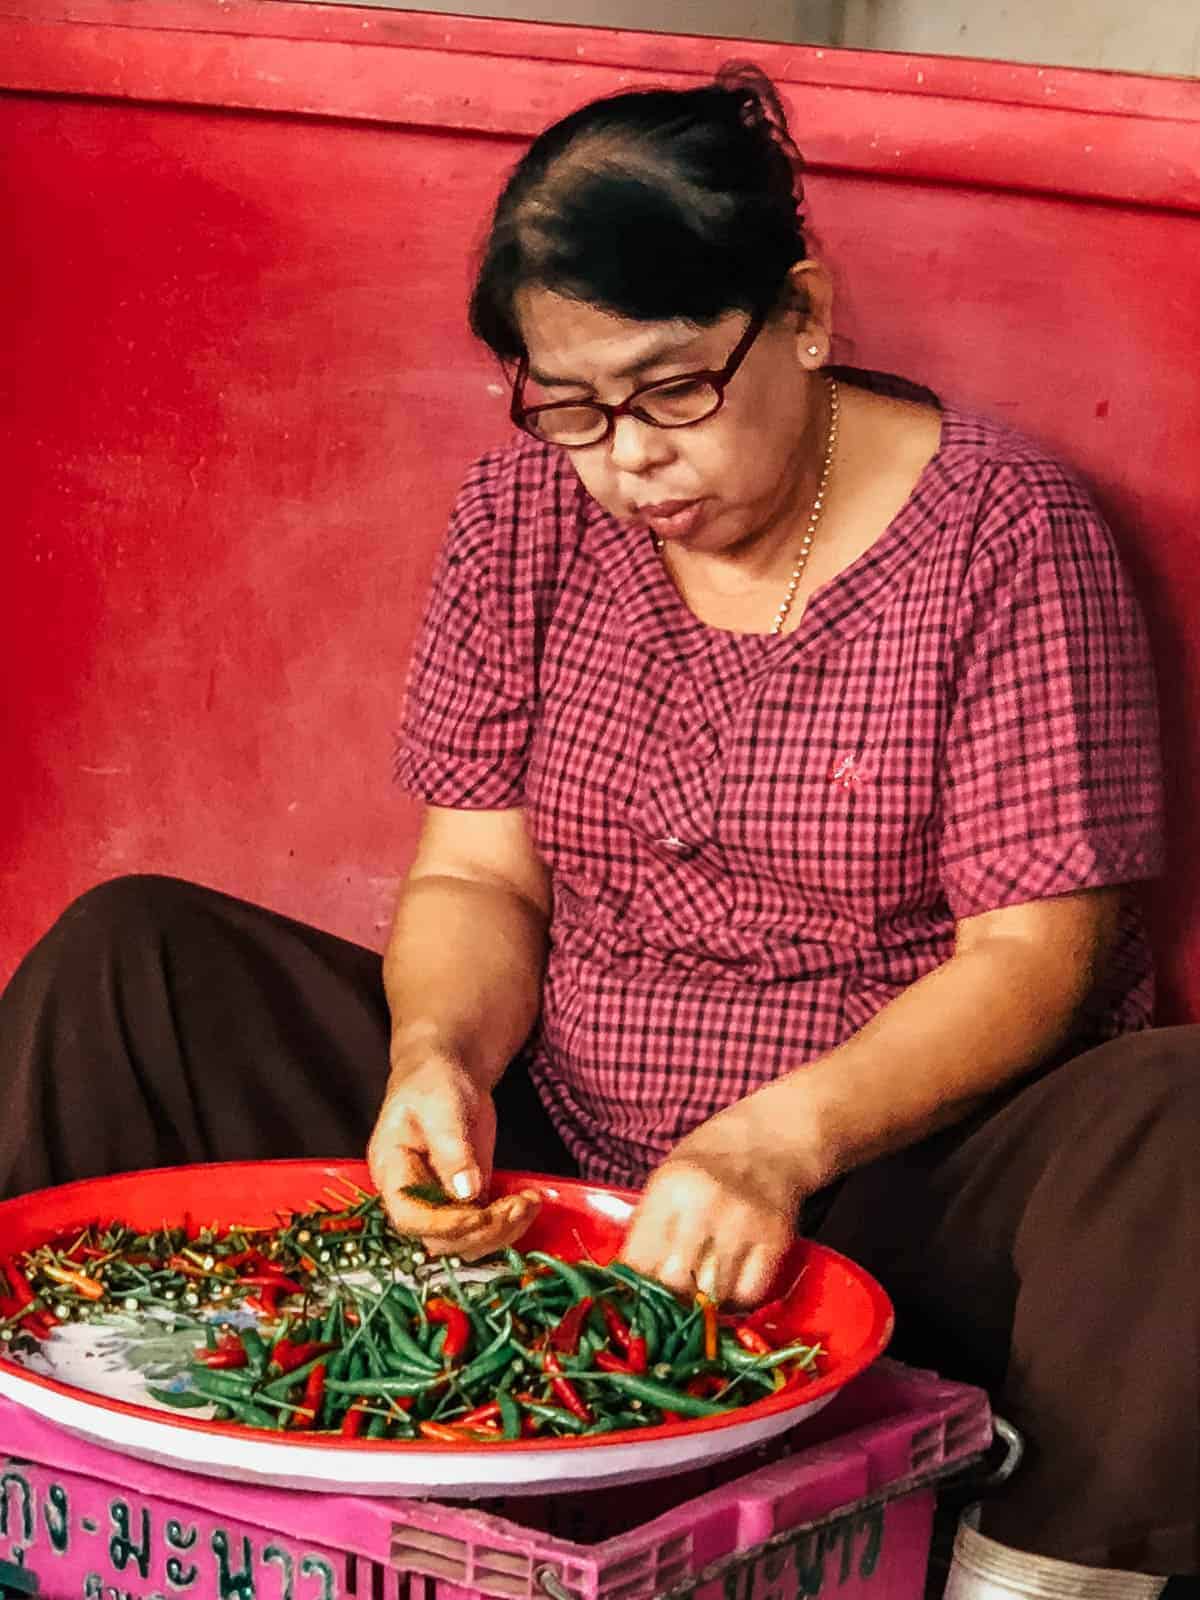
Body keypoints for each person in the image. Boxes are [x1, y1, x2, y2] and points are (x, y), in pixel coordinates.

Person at [1, 66, 1195, 1597]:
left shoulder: (1008, 533)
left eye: (672, 388)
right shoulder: (525, 517)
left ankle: (1028, 1575)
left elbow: (1036, 952)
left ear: (806, 312)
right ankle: (60, 1484)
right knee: (134, 958)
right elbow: (476, 869)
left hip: (884, 1180)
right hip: (567, 1160)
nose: (627, 458)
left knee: (1181, 1122)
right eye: (571, 407)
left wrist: (781, 1140)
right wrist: (441, 1055)